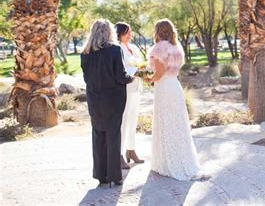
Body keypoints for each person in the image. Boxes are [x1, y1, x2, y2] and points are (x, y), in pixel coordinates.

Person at [145, 19, 203, 181]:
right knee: (177, 122)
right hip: (174, 86)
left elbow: (159, 73)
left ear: (158, 31)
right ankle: (181, 158)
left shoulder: (159, 48)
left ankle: (166, 163)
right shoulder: (176, 48)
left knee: (165, 121)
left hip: (164, 88)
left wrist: (148, 79)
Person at [81, 19, 134, 187]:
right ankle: (115, 176)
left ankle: (101, 175)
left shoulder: (85, 53)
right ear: (109, 32)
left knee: (98, 136)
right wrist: (132, 76)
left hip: (94, 100)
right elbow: (120, 76)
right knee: (113, 136)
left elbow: (87, 78)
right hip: (113, 100)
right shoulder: (115, 50)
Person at [115, 22, 144, 169]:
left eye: (130, 32)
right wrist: (135, 72)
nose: (130, 34)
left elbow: (138, 63)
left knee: (133, 120)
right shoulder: (117, 48)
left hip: (136, 87)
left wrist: (143, 69)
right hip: (125, 88)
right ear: (119, 33)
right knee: (124, 121)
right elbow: (121, 68)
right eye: (127, 32)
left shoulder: (133, 48)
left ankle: (131, 150)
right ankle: (119, 155)